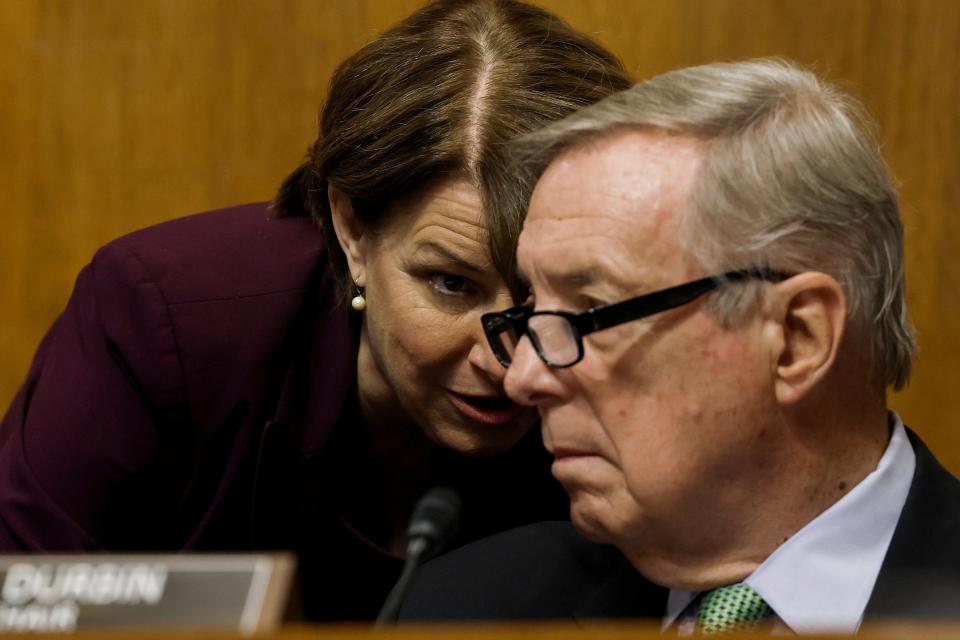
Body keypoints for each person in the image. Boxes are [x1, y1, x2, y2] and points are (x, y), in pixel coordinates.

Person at [0, 0, 632, 621]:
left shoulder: (629, 347)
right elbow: (22, 597)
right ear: (352, 229)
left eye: (547, 299)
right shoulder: (169, 323)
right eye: (449, 284)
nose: (509, 362)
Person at [399, 59, 960, 632]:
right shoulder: (467, 607)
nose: (521, 377)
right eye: (533, 312)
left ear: (797, 339)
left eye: (591, 309)